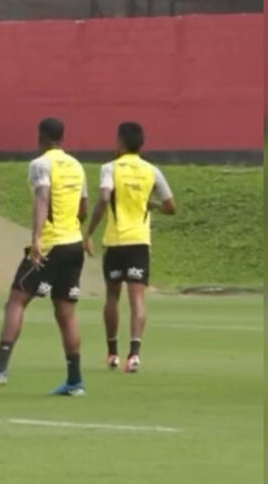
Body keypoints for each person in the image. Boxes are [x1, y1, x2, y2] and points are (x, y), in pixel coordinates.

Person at [0, 118, 89, 396]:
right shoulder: (76, 166)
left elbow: (42, 197)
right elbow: (83, 208)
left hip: (51, 245)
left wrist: (37, 238)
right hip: (74, 244)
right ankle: (75, 381)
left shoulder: (40, 164)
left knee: (16, 300)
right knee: (66, 312)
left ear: (41, 137)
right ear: (62, 138)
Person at [83, 122, 176, 373]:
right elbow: (171, 207)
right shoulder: (152, 171)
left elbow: (104, 198)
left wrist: (89, 232)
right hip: (139, 241)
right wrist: (150, 204)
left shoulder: (109, 168)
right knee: (137, 300)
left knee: (112, 297)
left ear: (120, 141)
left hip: (115, 241)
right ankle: (134, 355)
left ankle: (112, 353)